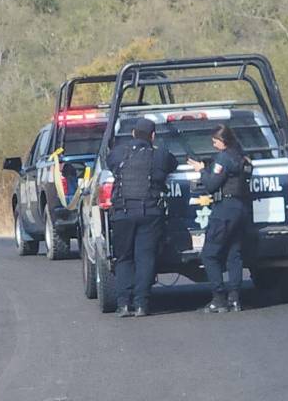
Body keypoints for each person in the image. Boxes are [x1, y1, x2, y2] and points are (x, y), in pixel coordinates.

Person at [107, 117, 177, 317]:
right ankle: (141, 305)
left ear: (132, 134)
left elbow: (109, 162)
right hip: (150, 213)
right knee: (145, 258)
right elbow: (172, 164)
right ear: (153, 137)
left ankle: (123, 304)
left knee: (124, 258)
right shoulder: (160, 155)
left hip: (123, 213)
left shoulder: (119, 152)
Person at [187, 125, 251, 313]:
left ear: (224, 141)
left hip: (224, 211)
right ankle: (235, 299)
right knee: (234, 254)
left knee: (209, 254)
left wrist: (201, 170)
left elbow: (211, 184)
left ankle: (219, 298)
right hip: (241, 209)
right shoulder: (241, 156)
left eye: (215, 141)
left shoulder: (223, 158)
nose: (213, 144)